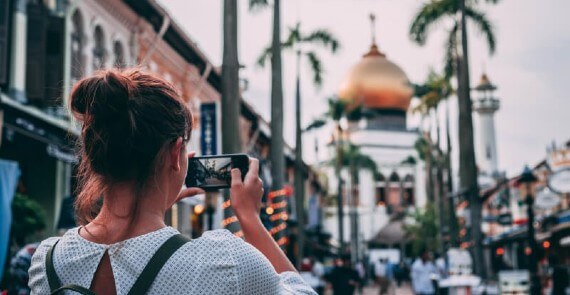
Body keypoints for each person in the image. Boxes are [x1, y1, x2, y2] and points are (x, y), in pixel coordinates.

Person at [27, 69, 316, 294]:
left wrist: (152, 203)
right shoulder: (224, 261)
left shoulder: (47, 262)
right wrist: (250, 218)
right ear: (177, 153)